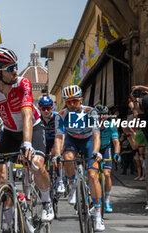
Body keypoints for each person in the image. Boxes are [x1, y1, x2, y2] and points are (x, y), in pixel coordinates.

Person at [0, 48, 54, 229]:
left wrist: (26, 144)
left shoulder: (23, 84)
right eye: (10, 69)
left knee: (37, 164)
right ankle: (8, 224)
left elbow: (26, 115)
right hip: (9, 132)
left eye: (15, 66)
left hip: (32, 127)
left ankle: (46, 201)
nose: (15, 71)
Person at [54, 85, 105, 232]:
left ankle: (97, 215)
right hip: (72, 140)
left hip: (89, 140)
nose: (71, 105)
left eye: (74, 101)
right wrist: (57, 155)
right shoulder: (61, 115)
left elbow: (96, 134)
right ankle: (72, 185)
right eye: (68, 102)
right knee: (67, 158)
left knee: (92, 175)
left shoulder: (91, 112)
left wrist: (96, 152)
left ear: (81, 100)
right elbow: (58, 137)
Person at [95, 104, 121, 213]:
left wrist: (116, 153)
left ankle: (106, 200)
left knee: (107, 173)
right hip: (94, 149)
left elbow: (116, 142)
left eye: (104, 115)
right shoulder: (91, 125)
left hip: (105, 148)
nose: (101, 117)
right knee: (92, 173)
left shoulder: (111, 126)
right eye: (99, 115)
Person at [38, 95, 65, 193]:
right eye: (43, 108)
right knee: (41, 164)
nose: (46, 111)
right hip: (44, 142)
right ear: (40, 109)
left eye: (48, 108)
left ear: (52, 108)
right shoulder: (38, 119)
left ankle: (60, 180)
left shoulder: (58, 117)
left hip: (56, 140)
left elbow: (63, 134)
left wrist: (61, 148)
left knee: (56, 154)